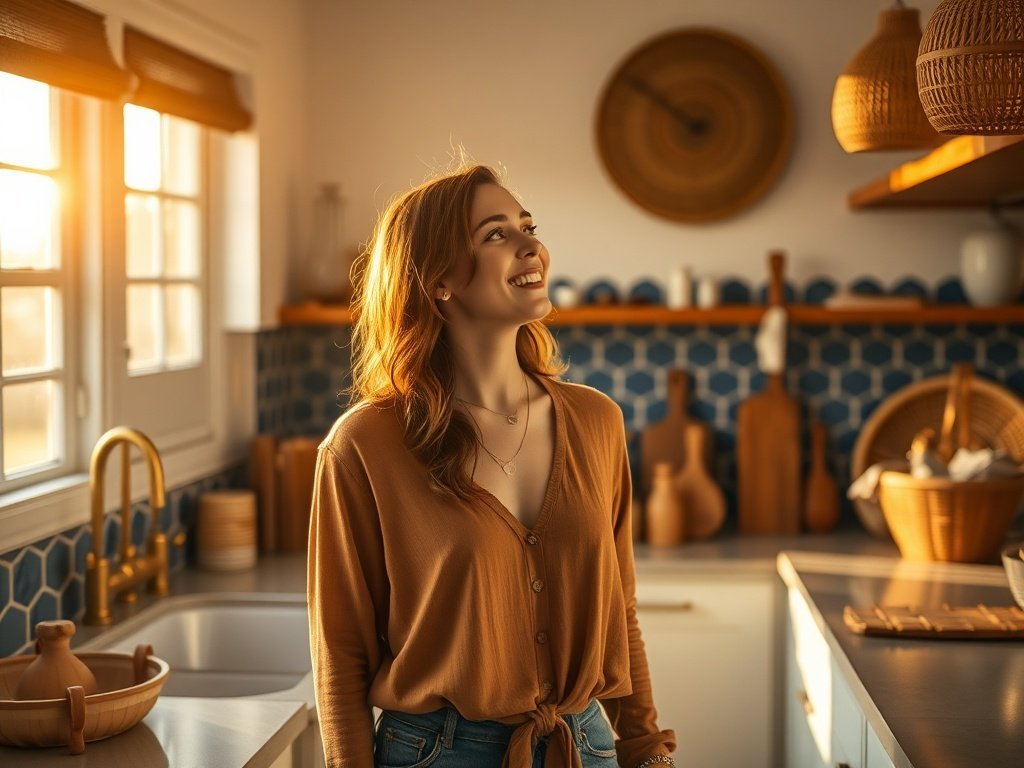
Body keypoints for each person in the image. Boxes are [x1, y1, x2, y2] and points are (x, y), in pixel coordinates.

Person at [307, 163, 677, 768]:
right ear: (438, 281)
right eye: (496, 234)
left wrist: (645, 748)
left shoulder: (598, 421)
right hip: (435, 752)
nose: (533, 246)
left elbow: (621, 608)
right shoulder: (363, 447)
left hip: (584, 746)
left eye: (528, 226)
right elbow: (341, 653)